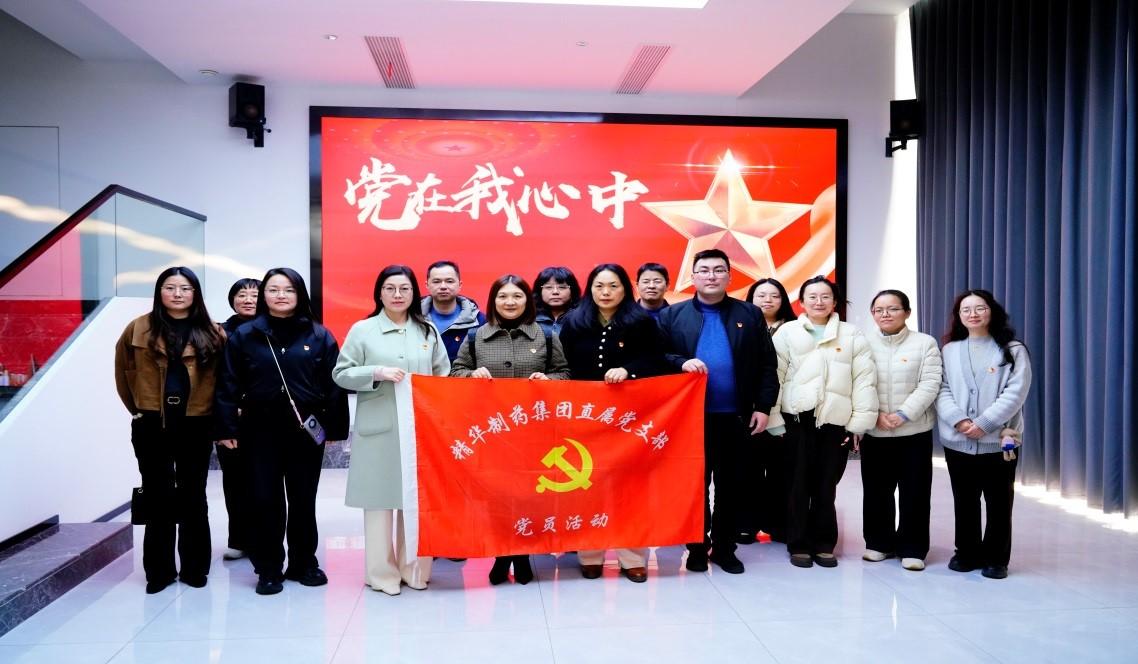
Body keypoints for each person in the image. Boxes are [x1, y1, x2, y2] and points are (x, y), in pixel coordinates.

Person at [216, 268, 349, 596]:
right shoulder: (245, 335)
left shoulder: (319, 335)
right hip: (258, 430)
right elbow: (227, 383)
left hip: (305, 430)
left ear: (299, 294)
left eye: (288, 289)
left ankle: (304, 563)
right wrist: (226, 426)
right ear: (264, 295)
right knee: (265, 499)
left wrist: (335, 427)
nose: (280, 295)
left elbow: (333, 384)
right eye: (273, 289)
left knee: (303, 499)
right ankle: (268, 568)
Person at [658, 249, 779, 575]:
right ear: (693, 277)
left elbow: (767, 364)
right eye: (704, 270)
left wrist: (763, 407)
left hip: (737, 417)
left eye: (718, 270)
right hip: (690, 419)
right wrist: (680, 362)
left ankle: (725, 548)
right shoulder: (673, 315)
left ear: (729, 276)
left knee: (732, 485)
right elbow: (658, 358)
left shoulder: (749, 314)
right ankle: (697, 547)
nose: (711, 276)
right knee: (694, 485)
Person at [333, 266, 451, 595]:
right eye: (390, 288)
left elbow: (443, 374)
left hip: (420, 428)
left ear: (414, 292)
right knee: (379, 504)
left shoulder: (427, 330)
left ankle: (414, 570)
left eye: (404, 288)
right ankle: (381, 575)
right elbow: (341, 373)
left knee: (417, 501)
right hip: (379, 430)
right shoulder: (363, 330)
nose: (397, 295)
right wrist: (376, 372)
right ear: (379, 293)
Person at [449, 274, 570, 586]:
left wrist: (549, 381)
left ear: (527, 300)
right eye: (503, 296)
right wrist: (471, 375)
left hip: (534, 430)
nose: (510, 302)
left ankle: (523, 554)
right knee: (497, 495)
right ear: (493, 301)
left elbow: (564, 374)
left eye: (517, 296)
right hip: (492, 430)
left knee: (529, 495)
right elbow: (455, 373)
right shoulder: (476, 335)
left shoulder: (545, 334)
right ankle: (502, 554)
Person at [114, 267, 224, 594]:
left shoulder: (213, 332)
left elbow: (223, 380)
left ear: (195, 293)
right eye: (170, 287)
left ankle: (195, 568)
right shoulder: (138, 328)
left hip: (197, 423)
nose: (177, 294)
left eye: (185, 288)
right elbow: (123, 373)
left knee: (193, 494)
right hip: (151, 423)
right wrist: (138, 409)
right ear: (159, 291)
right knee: (157, 494)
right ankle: (159, 572)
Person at [559, 263, 666, 583]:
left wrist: (629, 371)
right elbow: (563, 364)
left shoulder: (642, 321)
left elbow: (656, 359)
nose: (605, 292)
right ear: (589, 289)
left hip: (628, 418)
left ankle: (632, 557)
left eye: (613, 286)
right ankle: (590, 554)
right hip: (585, 417)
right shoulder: (574, 322)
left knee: (629, 489)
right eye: (599, 286)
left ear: (625, 289)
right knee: (587, 486)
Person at [769, 275, 877, 569]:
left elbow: (864, 380)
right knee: (796, 486)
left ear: (835, 301)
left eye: (825, 296)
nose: (819, 302)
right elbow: (775, 377)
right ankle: (798, 544)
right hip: (796, 420)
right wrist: (774, 418)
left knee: (826, 486)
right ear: (801, 302)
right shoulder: (787, 332)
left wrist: (858, 424)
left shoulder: (851, 334)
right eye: (812, 297)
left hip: (835, 422)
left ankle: (824, 543)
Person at [937, 289, 1031, 580]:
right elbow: (942, 389)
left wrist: (985, 423)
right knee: (964, 500)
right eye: (966, 310)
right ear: (958, 316)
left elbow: (1016, 392)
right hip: (958, 440)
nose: (973, 314)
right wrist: (960, 421)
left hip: (999, 442)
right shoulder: (950, 350)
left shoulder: (1013, 349)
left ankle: (996, 558)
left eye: (980, 308)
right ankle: (966, 552)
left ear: (992, 311)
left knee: (999, 502)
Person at [861, 289, 942, 571]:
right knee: (876, 491)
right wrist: (875, 414)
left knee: (915, 492)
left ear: (907, 312)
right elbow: (859, 382)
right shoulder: (863, 343)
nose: (885, 314)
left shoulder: (925, 343)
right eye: (879, 310)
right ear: (873, 314)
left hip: (914, 431)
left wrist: (903, 414)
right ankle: (878, 543)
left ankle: (913, 547)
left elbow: (930, 383)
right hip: (875, 430)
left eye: (893, 309)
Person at [736, 277, 797, 545]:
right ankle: (746, 525)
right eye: (761, 295)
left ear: (783, 300)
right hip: (749, 410)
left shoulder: (796, 328)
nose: (767, 300)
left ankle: (778, 525)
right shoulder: (739, 326)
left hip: (785, 412)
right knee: (747, 471)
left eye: (774, 295)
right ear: (751, 299)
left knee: (781, 472)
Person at [217, 277, 260, 562]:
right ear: (232, 300)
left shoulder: (273, 330)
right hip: (230, 417)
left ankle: (262, 539)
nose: (248, 300)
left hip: (264, 416)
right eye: (241, 295)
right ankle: (238, 539)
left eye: (254, 295)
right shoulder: (218, 332)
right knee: (234, 481)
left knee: (264, 481)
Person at [420, 260, 485, 362]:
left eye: (449, 281)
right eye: (436, 281)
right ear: (427, 285)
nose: (443, 286)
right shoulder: (412, 318)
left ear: (460, 285)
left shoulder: (479, 322)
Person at [533, 266, 581, 335]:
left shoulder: (583, 317)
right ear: (539, 291)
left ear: (572, 291)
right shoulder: (529, 317)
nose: (555, 292)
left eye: (562, 287)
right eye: (548, 287)